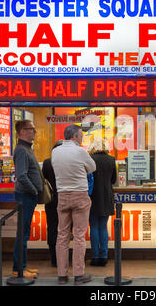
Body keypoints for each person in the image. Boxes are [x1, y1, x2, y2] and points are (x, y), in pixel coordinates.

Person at [52, 124, 96, 285]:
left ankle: (62, 276)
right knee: (79, 236)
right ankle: (79, 274)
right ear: (75, 137)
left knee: (62, 236)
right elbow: (92, 168)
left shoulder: (55, 151)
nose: (82, 139)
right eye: (81, 136)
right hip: (80, 195)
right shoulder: (80, 151)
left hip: (62, 195)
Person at [12, 119, 42, 279]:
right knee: (22, 233)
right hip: (25, 196)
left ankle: (22, 266)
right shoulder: (22, 151)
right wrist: (34, 191)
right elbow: (21, 176)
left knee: (24, 232)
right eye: (32, 129)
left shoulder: (26, 149)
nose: (34, 132)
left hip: (27, 196)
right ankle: (18, 268)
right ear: (22, 131)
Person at [88, 141, 117, 267]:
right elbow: (114, 180)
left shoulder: (89, 159)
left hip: (92, 196)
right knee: (103, 227)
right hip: (106, 196)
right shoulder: (111, 160)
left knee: (93, 226)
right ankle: (104, 256)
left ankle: (95, 257)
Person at [42, 139, 63, 267]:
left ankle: (54, 258)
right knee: (64, 229)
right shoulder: (68, 162)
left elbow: (43, 179)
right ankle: (63, 257)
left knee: (52, 227)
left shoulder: (47, 162)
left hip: (51, 200)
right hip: (66, 198)